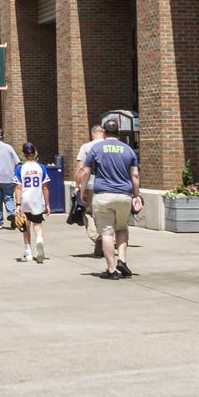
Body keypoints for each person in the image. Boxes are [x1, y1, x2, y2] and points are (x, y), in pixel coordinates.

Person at [81, 119, 141, 280]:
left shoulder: (96, 148)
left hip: (103, 195)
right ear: (119, 133)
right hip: (124, 195)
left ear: (104, 133)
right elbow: (134, 175)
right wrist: (137, 195)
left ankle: (112, 269)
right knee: (121, 228)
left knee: (107, 232)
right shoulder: (128, 150)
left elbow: (85, 171)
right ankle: (122, 259)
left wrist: (82, 191)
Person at [15, 142, 52, 264]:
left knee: (25, 226)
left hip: (25, 200)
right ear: (34, 153)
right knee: (37, 224)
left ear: (24, 154)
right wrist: (47, 204)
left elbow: (18, 188)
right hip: (37, 199)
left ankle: (28, 252)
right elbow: (45, 187)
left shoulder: (20, 168)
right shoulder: (41, 168)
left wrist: (18, 204)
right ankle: (39, 241)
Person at [76, 124, 107, 256]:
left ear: (92, 133)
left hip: (90, 184)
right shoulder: (112, 146)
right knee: (108, 213)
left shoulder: (86, 147)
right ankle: (111, 239)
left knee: (88, 213)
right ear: (103, 133)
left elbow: (81, 169)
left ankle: (96, 237)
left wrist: (77, 186)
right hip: (109, 184)